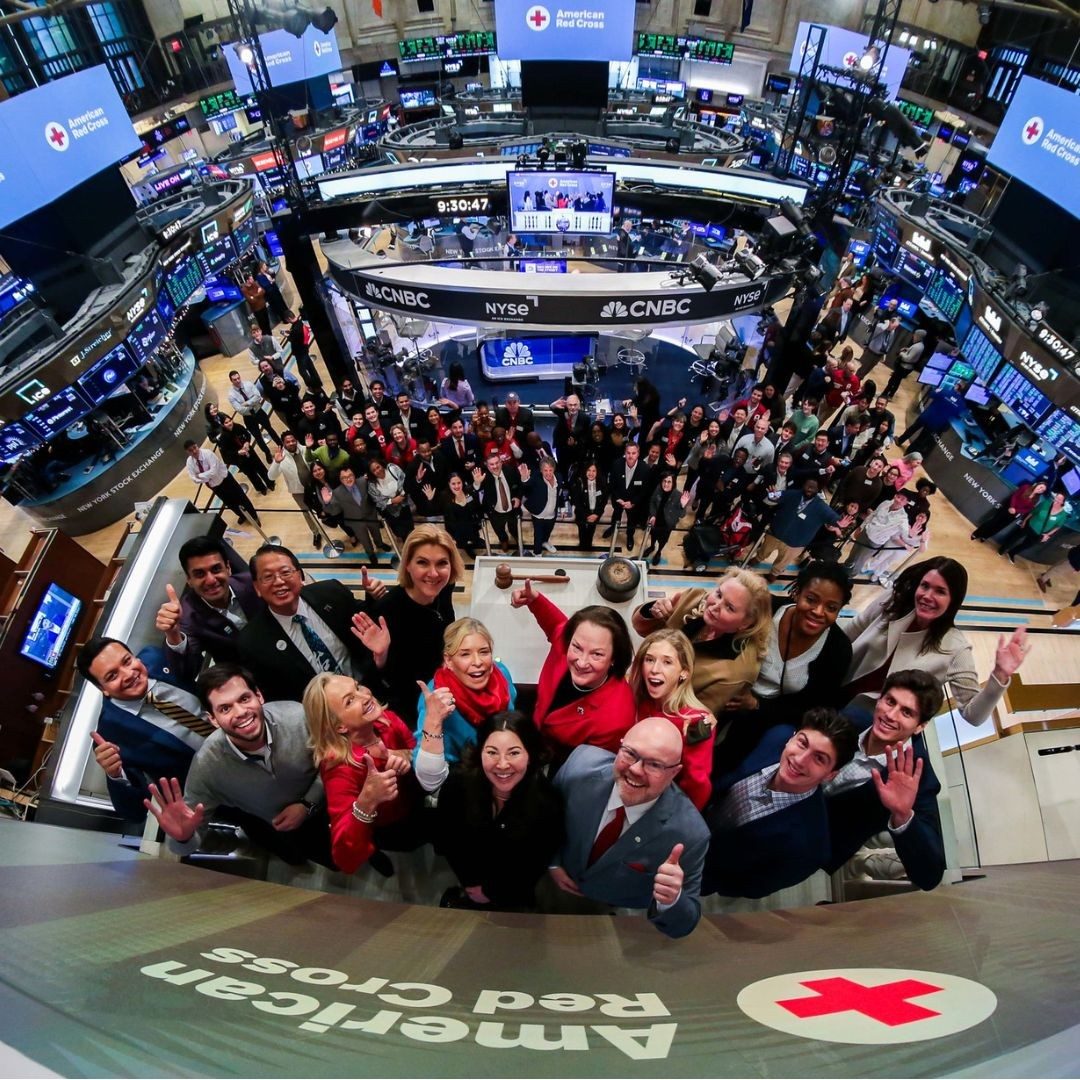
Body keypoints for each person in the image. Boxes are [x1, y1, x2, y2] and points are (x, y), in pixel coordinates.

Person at [144, 664, 331, 866]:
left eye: (244, 699)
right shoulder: (208, 766)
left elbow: (337, 754)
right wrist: (182, 837)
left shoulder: (297, 716)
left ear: (258, 695)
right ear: (213, 719)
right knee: (335, 862)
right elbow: (184, 843)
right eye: (225, 708)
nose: (241, 712)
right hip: (296, 831)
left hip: (335, 794)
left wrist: (307, 803)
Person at [549, 718, 710, 939]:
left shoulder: (690, 834)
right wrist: (552, 861)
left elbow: (684, 925)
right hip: (551, 885)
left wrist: (671, 900)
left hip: (617, 917)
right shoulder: (579, 767)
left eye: (654, 764)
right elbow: (545, 815)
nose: (635, 769)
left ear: (674, 773)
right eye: (630, 753)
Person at [841, 556, 1030, 726]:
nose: (927, 596)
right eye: (925, 586)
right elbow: (852, 631)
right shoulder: (894, 602)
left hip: (864, 722)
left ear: (953, 600)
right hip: (832, 685)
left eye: (940, 591)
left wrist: (1000, 675)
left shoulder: (956, 649)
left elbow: (973, 716)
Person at [416, 709, 564, 911]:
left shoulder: (548, 802)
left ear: (530, 755)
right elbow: (449, 840)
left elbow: (533, 865)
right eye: (492, 752)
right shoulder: (458, 784)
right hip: (468, 880)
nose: (502, 765)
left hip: (514, 891)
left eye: (514, 753)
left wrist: (492, 891)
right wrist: (470, 884)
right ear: (480, 752)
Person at [703, 709, 858, 898]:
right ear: (791, 738)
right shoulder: (774, 736)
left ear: (830, 775)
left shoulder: (810, 849)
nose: (800, 760)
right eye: (802, 743)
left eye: (819, 758)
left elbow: (749, 887)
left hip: (696, 873)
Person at [716, 562, 854, 771]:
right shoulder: (766, 608)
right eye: (811, 599)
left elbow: (815, 708)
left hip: (769, 717)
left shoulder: (838, 649)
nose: (818, 611)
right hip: (725, 690)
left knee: (728, 763)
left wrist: (756, 705)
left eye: (831, 608)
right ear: (797, 593)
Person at [823, 670, 948, 890]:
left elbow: (930, 876)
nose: (891, 715)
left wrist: (903, 815)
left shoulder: (919, 777)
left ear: (920, 726)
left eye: (906, 712)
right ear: (879, 699)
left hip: (811, 848)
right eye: (890, 702)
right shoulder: (850, 717)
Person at [236, 544, 387, 703]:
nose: (279, 581)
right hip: (321, 716)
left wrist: (373, 596)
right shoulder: (252, 643)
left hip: (370, 690)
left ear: (301, 576)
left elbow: (366, 620)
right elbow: (274, 696)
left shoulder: (331, 592)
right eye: (267, 577)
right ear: (257, 587)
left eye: (285, 572)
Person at [304, 672, 423, 876]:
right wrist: (368, 800)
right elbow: (343, 857)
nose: (365, 696)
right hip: (391, 827)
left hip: (416, 801)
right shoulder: (339, 768)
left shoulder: (384, 719)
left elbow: (415, 747)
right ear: (338, 726)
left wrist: (407, 755)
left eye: (357, 687)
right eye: (350, 701)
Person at [77, 636, 204, 821]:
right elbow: (134, 812)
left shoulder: (155, 657)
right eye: (112, 676)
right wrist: (115, 775)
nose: (128, 674)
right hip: (220, 793)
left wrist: (176, 638)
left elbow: (193, 665)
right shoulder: (111, 735)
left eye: (127, 661)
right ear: (102, 688)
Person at [510, 579, 635, 762]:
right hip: (536, 728)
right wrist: (534, 600)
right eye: (577, 647)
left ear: (614, 659)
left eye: (597, 654)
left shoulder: (616, 718)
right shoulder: (566, 641)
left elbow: (588, 768)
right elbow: (556, 625)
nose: (582, 662)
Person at [631, 569, 772, 715]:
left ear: (745, 623)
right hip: (637, 683)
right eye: (718, 594)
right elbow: (639, 628)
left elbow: (691, 717)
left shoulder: (735, 673)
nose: (714, 606)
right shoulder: (694, 598)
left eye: (729, 607)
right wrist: (653, 611)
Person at [374, 524, 463, 724]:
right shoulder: (387, 610)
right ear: (407, 565)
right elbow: (382, 680)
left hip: (446, 689)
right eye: (423, 563)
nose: (433, 574)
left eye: (442, 563)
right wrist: (381, 657)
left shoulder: (445, 588)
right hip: (415, 708)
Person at [627, 630, 714, 810]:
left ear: (684, 672)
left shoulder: (695, 722)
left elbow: (697, 786)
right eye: (649, 659)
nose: (655, 669)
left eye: (667, 662)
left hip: (657, 807)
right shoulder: (636, 700)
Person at [412, 617, 517, 767]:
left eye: (484, 652)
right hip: (460, 777)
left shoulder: (502, 673)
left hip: (504, 766)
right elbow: (421, 764)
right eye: (465, 654)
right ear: (448, 661)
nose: (477, 662)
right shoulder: (436, 697)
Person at [155, 535, 265, 666]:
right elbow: (186, 671)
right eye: (200, 574)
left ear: (228, 568)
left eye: (216, 569)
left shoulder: (252, 582)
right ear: (189, 580)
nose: (211, 580)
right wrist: (173, 636)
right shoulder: (188, 617)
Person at [756, 478, 840, 582]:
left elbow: (833, 518)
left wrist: (839, 523)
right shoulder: (792, 494)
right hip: (776, 533)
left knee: (783, 562)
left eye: (813, 488)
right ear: (803, 486)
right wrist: (772, 495)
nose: (809, 489)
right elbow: (776, 496)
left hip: (795, 543)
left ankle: (774, 574)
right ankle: (757, 559)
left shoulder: (821, 507)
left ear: (817, 490)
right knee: (764, 550)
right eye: (808, 486)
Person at [183, 441, 260, 526]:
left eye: (194, 447)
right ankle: (242, 515)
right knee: (230, 503)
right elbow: (193, 479)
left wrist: (200, 475)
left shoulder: (208, 454)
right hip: (214, 486)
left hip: (226, 480)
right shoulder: (189, 462)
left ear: (197, 446)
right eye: (191, 450)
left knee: (241, 498)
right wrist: (204, 477)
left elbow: (214, 472)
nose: (194, 451)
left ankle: (254, 516)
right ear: (187, 452)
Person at [843, 488, 913, 578]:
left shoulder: (903, 519)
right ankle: (846, 566)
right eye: (898, 496)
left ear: (906, 503)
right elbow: (873, 515)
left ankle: (851, 575)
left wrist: (911, 535)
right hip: (866, 532)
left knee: (860, 560)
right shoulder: (886, 503)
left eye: (902, 499)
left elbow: (906, 534)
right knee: (854, 551)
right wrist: (861, 527)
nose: (898, 500)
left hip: (875, 542)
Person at [269, 433, 322, 547]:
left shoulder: (304, 449)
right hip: (298, 492)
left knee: (322, 505)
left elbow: (316, 460)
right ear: (283, 443)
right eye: (288, 442)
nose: (291, 443)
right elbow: (271, 477)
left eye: (293, 440)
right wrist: (276, 462)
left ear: (296, 440)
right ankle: (316, 533)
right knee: (307, 513)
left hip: (314, 486)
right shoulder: (281, 457)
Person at [327, 465, 384, 563]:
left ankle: (380, 544)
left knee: (376, 532)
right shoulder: (337, 493)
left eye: (350, 476)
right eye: (344, 478)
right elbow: (334, 511)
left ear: (354, 475)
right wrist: (328, 503)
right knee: (364, 539)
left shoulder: (363, 481)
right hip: (355, 520)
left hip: (370, 514)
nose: (348, 479)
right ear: (340, 480)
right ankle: (370, 553)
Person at [604, 442, 652, 549]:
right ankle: (613, 528)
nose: (630, 456)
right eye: (628, 453)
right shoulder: (616, 464)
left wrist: (633, 502)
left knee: (632, 521)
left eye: (633, 453)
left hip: (633, 503)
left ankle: (630, 536)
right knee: (616, 515)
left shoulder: (645, 469)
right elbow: (612, 484)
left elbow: (644, 491)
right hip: (619, 500)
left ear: (638, 454)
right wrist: (617, 498)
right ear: (625, 453)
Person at [1001, 489, 1070, 563]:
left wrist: (1047, 534)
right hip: (1030, 525)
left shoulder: (1063, 514)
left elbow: (1058, 526)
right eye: (1056, 497)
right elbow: (1033, 512)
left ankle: (1012, 553)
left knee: (1025, 545)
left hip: (1039, 533)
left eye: (1060, 499)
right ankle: (1002, 549)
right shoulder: (1046, 503)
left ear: (1063, 501)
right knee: (1014, 538)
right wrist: (1025, 521)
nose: (1057, 499)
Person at [473, 452, 522, 552]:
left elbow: (519, 485)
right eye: (491, 464)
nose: (495, 466)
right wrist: (477, 483)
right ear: (487, 465)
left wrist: (518, 497)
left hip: (512, 508)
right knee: (499, 529)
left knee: (513, 526)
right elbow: (474, 491)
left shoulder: (510, 471)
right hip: (495, 511)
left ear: (501, 462)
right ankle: (503, 540)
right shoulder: (483, 476)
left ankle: (516, 537)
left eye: (497, 463)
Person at [226, 370, 280, 458]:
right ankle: (267, 453)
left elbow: (258, 397)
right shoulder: (231, 395)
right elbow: (240, 410)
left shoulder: (248, 384)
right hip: (248, 418)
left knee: (270, 429)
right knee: (257, 437)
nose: (238, 381)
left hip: (259, 412)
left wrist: (247, 403)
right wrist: (253, 402)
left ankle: (280, 444)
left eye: (238, 378)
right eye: (235, 379)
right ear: (231, 381)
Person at [217, 415, 271, 495]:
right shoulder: (223, 438)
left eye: (230, 420)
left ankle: (270, 483)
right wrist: (238, 452)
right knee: (251, 474)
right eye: (226, 422)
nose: (229, 423)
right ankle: (261, 488)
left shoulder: (238, 427)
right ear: (222, 425)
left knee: (260, 467)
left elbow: (247, 434)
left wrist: (247, 442)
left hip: (249, 452)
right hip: (240, 460)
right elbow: (226, 455)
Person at [367, 459, 413, 542]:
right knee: (400, 532)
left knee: (410, 528)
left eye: (378, 467)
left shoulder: (392, 469)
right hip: (390, 511)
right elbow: (377, 500)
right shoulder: (372, 484)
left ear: (382, 465)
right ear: (371, 473)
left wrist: (401, 497)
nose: (378, 470)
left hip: (403, 505)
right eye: (374, 470)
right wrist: (392, 501)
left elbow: (404, 481)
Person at [520, 458, 560, 555]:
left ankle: (545, 542)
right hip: (538, 513)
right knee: (538, 535)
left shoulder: (559, 477)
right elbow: (527, 486)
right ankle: (537, 553)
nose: (548, 473)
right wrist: (524, 479)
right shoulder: (536, 478)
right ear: (541, 470)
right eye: (545, 470)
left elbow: (560, 494)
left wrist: (561, 508)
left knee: (548, 531)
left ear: (554, 469)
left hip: (552, 513)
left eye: (550, 470)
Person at [643, 472, 684, 565]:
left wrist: (682, 506)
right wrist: (652, 515)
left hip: (667, 524)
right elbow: (652, 501)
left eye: (669, 482)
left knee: (663, 540)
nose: (666, 484)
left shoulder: (678, 495)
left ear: (673, 483)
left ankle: (658, 552)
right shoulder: (658, 489)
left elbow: (682, 515)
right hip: (656, 521)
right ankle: (652, 546)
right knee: (653, 535)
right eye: (664, 481)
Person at [440, 473, 484, 557]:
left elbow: (477, 504)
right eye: (453, 483)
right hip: (457, 528)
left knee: (474, 537)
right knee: (464, 542)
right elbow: (436, 510)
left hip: (471, 524)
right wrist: (430, 499)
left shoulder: (468, 491)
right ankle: (468, 547)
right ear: (449, 484)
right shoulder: (444, 496)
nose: (457, 486)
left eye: (459, 483)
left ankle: (474, 541)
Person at [551, 394, 590, 482]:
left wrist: (575, 443)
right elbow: (552, 408)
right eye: (570, 405)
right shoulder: (563, 412)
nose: (572, 408)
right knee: (562, 469)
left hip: (576, 448)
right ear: (566, 405)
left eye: (575, 405)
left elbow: (585, 437)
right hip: (561, 446)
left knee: (575, 471)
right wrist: (555, 403)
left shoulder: (585, 418)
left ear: (579, 405)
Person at [571, 461, 608, 550]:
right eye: (589, 470)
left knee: (591, 530)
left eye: (594, 471)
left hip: (595, 514)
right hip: (582, 515)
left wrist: (596, 514)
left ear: (597, 472)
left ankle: (588, 545)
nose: (591, 473)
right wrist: (587, 516)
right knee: (582, 531)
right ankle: (582, 545)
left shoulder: (602, 482)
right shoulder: (579, 482)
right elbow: (577, 502)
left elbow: (604, 501)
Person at [883, 329, 927, 399]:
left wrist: (901, 353)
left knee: (892, 381)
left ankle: (885, 394)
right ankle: (890, 395)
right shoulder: (920, 345)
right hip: (906, 367)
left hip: (904, 367)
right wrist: (908, 349)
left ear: (919, 336)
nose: (913, 336)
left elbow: (908, 358)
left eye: (915, 335)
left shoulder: (917, 347)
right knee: (896, 381)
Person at [286, 312, 323, 393]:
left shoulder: (296, 329)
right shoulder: (300, 323)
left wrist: (288, 336)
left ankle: (311, 386)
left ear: (289, 318)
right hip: (304, 350)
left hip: (300, 353)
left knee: (302, 371)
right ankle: (318, 383)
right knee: (310, 367)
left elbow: (292, 339)